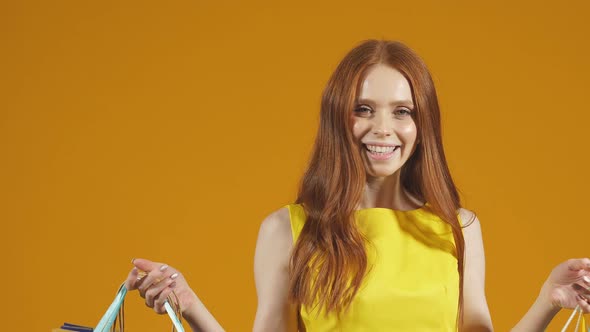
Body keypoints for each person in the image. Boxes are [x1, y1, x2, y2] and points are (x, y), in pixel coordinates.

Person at [124, 40, 590, 331]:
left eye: (402, 111)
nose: (382, 128)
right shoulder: (287, 230)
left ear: (422, 124)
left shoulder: (459, 228)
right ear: (337, 118)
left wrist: (548, 301)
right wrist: (189, 305)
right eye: (363, 109)